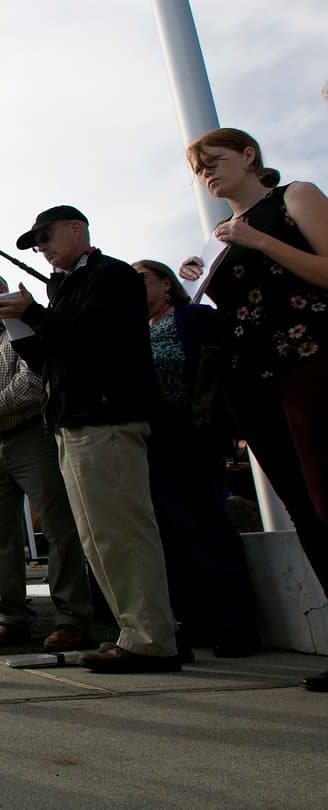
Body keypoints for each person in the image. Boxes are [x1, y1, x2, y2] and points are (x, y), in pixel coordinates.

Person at [0, 205, 179, 673]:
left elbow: (93, 343)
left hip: (106, 417)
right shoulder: (66, 287)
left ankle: (151, 639)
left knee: (120, 533)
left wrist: (35, 312)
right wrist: (20, 326)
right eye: (36, 243)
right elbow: (52, 359)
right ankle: (136, 632)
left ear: (76, 229)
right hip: (75, 420)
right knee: (98, 538)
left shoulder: (111, 275)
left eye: (46, 236)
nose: (42, 248)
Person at [178, 128, 328, 691]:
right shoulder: (219, 238)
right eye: (199, 169)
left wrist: (258, 241)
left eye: (214, 160)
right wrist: (199, 280)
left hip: (308, 360)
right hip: (251, 381)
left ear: (248, 156)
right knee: (303, 509)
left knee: (327, 497)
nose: (207, 174)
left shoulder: (295, 197)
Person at [0, 272, 93, 652]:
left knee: (58, 526)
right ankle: (11, 615)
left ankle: (72, 617)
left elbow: (33, 379)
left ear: (1, 292)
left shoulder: (22, 330)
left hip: (31, 435)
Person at [133, 259, 261, 658]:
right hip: (151, 442)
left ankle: (237, 626)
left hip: (193, 434)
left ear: (166, 283)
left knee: (206, 528)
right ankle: (195, 621)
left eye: (141, 278)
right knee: (169, 536)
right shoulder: (134, 331)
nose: (133, 286)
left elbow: (224, 369)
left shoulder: (194, 318)